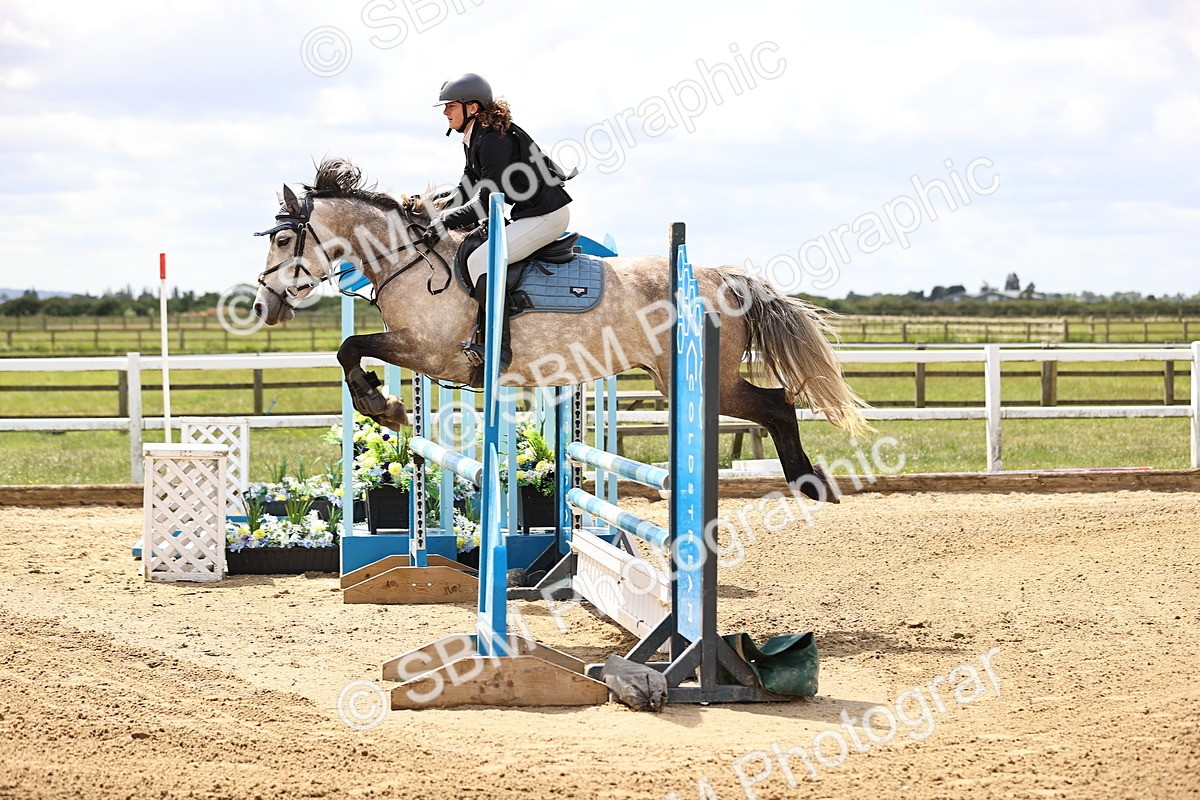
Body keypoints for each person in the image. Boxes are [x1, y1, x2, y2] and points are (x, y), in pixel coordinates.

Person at [431, 73, 572, 374]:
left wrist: (443, 221)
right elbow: (466, 189)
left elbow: (485, 202)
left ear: (472, 107)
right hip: (530, 213)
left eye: (451, 106)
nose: (445, 112)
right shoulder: (477, 137)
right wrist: (431, 210)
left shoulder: (493, 140)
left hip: (545, 216)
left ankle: (500, 349)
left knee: (481, 261)